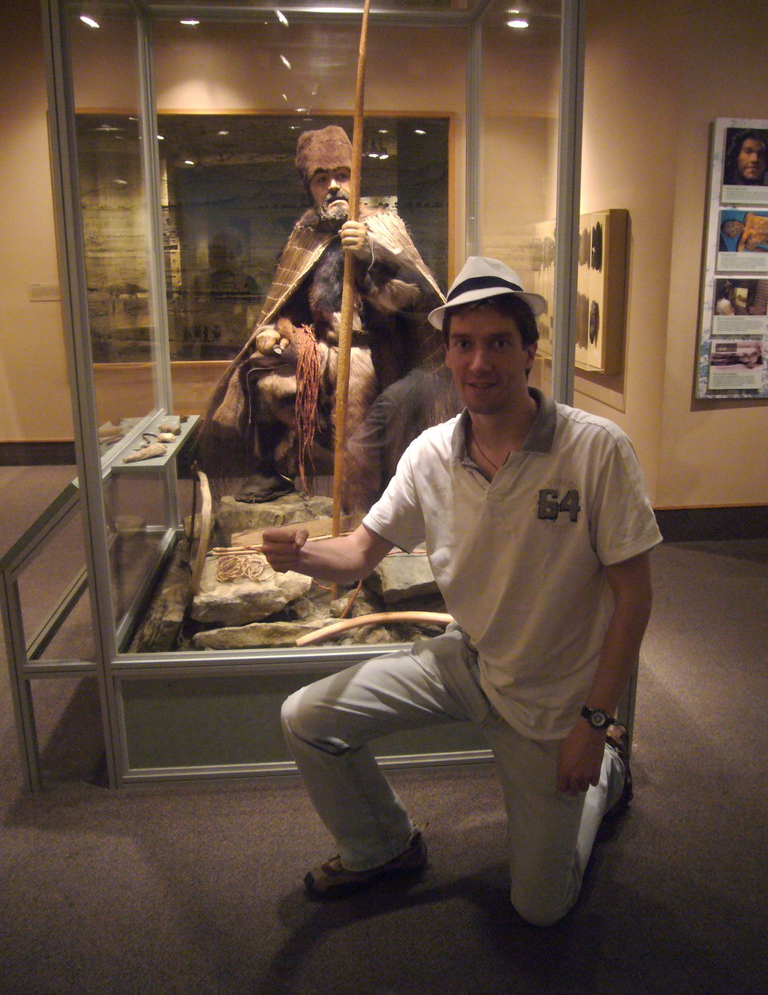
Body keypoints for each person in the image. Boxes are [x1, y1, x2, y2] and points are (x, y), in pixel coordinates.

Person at [263, 256, 663, 927]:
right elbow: (360, 553)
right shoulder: (430, 455)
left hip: (551, 698)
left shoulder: (596, 452)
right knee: (308, 720)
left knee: (540, 908)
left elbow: (635, 598)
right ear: (446, 353)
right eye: (465, 343)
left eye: (499, 342)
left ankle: (607, 780)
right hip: (467, 661)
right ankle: (382, 845)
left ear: (530, 352)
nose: (481, 362)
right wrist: (302, 555)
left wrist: (593, 727)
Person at [195, 125, 444, 507]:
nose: (333, 187)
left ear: (357, 177)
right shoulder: (306, 233)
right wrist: (273, 331)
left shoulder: (382, 226)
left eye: (342, 175)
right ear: (308, 186)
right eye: (321, 178)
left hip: (374, 352)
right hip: (319, 346)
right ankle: (274, 469)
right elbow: (289, 303)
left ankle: (366, 504)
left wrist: (371, 255)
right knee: (260, 370)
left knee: (358, 405)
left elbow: (416, 296)